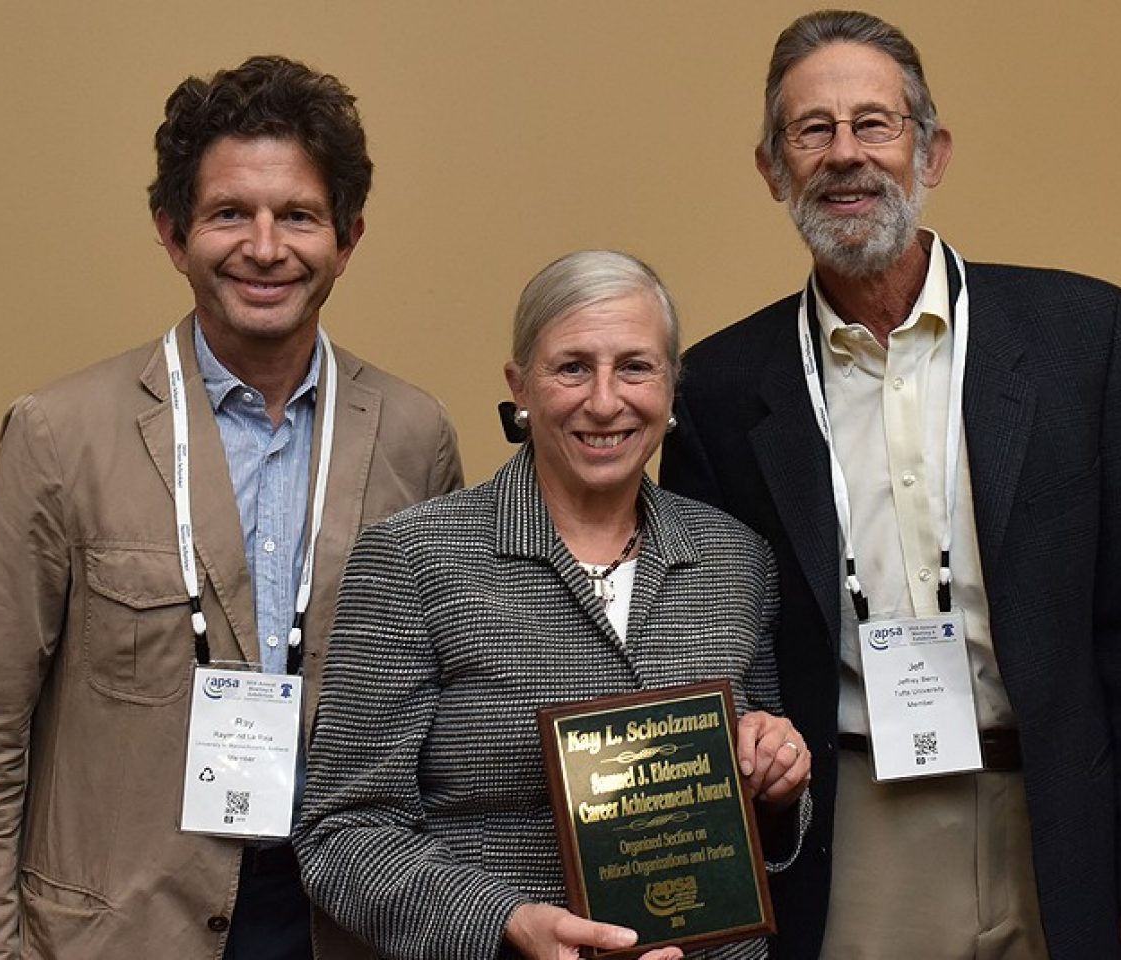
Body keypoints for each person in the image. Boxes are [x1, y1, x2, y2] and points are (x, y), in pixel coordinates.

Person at [659, 11, 1121, 960]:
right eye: (813, 130)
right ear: (771, 170)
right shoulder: (717, 388)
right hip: (858, 828)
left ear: (932, 151)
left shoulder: (1083, 337)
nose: (845, 156)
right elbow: (719, 639)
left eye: (875, 124)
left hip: (1057, 818)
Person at [0, 57, 463, 959]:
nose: (264, 246)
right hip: (124, 929)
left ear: (348, 237)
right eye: (228, 214)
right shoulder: (62, 435)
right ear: (173, 236)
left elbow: (446, 715)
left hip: (346, 922)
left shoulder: (415, 436)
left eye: (297, 214)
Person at [294, 251, 812, 960]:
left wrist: (779, 785)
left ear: (672, 386)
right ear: (520, 386)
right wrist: (504, 923)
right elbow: (342, 832)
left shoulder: (735, 559)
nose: (605, 401)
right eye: (572, 368)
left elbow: (755, 797)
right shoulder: (415, 560)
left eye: (636, 367)